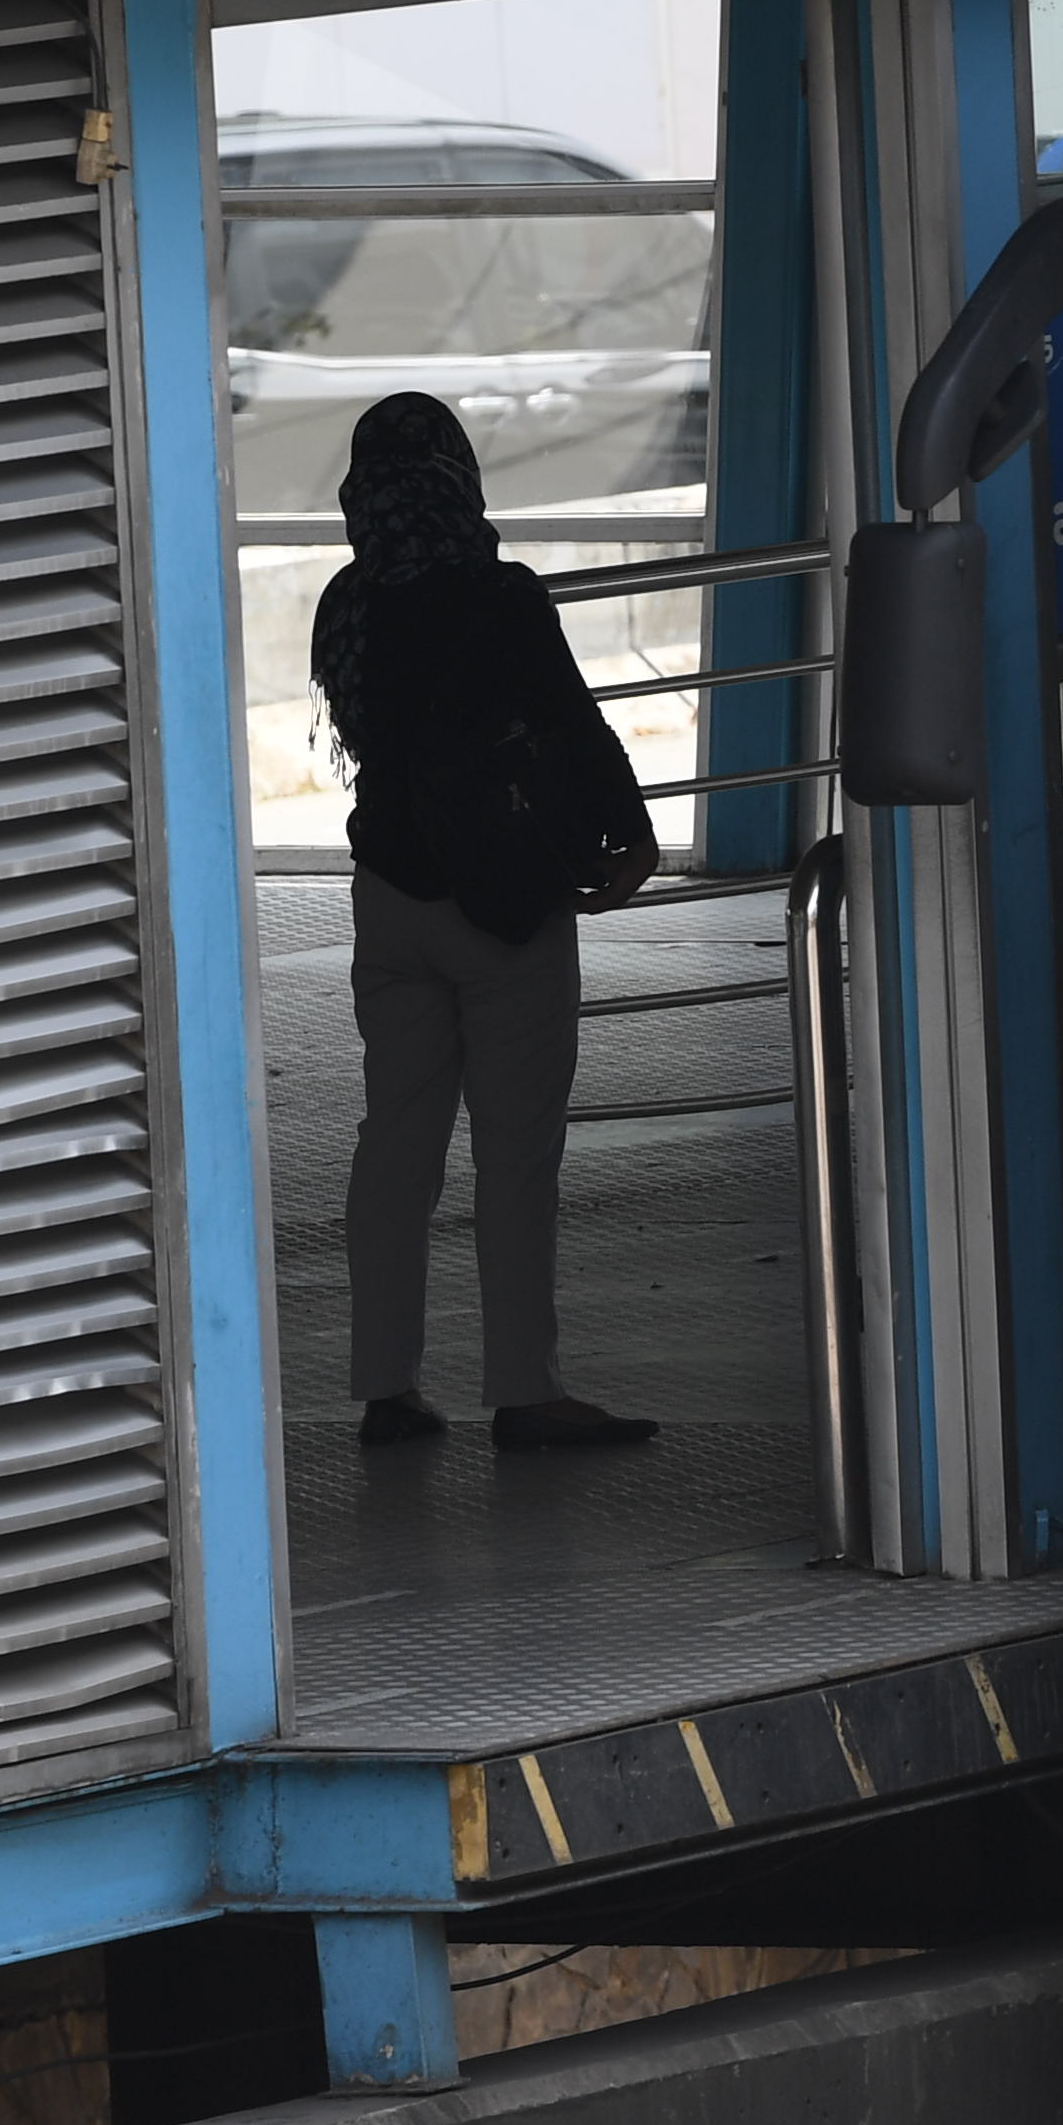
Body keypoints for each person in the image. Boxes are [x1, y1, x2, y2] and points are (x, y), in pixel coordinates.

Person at [310, 393, 660, 1450]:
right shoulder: (495, 594)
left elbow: (356, 731)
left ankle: (386, 1387)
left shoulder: (349, 600)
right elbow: (571, 722)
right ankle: (522, 1388)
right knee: (515, 1154)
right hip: (504, 906)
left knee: (397, 1147)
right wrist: (629, 836)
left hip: (390, 903)